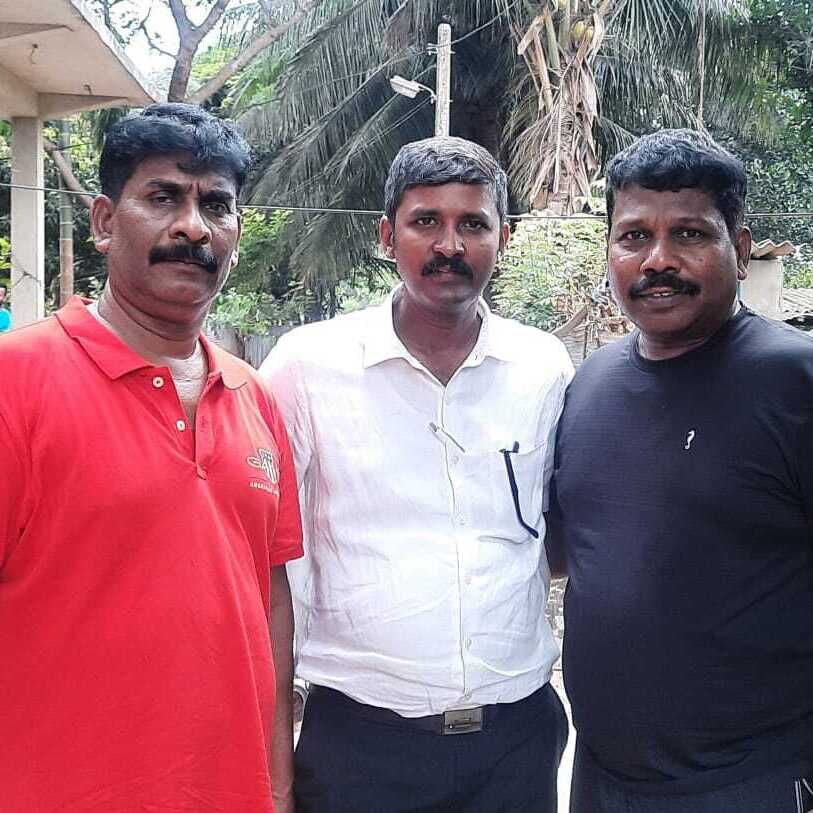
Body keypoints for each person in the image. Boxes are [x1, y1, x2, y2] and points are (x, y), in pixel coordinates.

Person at [0, 104, 303, 812]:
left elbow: (270, 601)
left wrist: (278, 785)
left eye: (216, 205)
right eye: (163, 197)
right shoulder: (16, 381)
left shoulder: (253, 396)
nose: (193, 227)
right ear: (105, 221)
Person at [261, 136, 573, 811]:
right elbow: (264, 564)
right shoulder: (306, 367)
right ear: (386, 235)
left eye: (473, 224)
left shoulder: (543, 366)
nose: (449, 245)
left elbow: (557, 528)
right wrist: (273, 768)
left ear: (504, 238)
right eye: (425, 221)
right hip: (359, 746)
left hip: (515, 741)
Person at [548, 129, 813, 812]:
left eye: (689, 234)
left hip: (753, 783)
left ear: (741, 249)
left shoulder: (793, 382)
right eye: (634, 236)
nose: (657, 259)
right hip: (601, 778)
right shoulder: (591, 384)